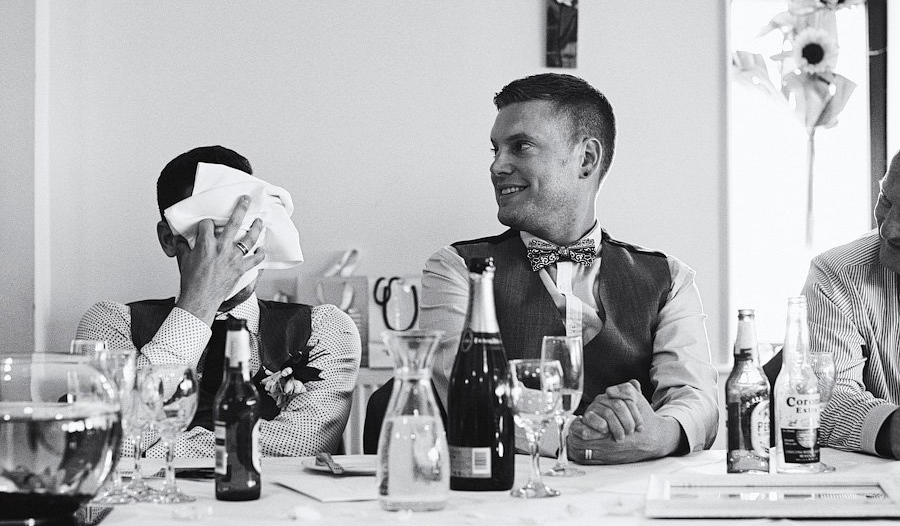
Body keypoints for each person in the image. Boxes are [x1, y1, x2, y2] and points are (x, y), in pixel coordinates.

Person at [420, 73, 718, 464]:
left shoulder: (671, 279)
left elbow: (696, 400)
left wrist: (658, 434)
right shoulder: (457, 269)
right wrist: (568, 437)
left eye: (520, 147)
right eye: (495, 150)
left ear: (587, 160)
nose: (496, 166)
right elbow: (463, 387)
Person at [77, 145, 361, 458]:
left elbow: (300, 447)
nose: (232, 249)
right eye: (215, 234)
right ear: (170, 239)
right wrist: (197, 307)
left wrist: (151, 448)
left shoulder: (323, 327)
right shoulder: (113, 323)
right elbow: (102, 444)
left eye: (243, 228)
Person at [805, 149, 900, 458]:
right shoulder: (837, 273)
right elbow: (825, 401)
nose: (889, 229)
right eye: (885, 201)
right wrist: (891, 428)